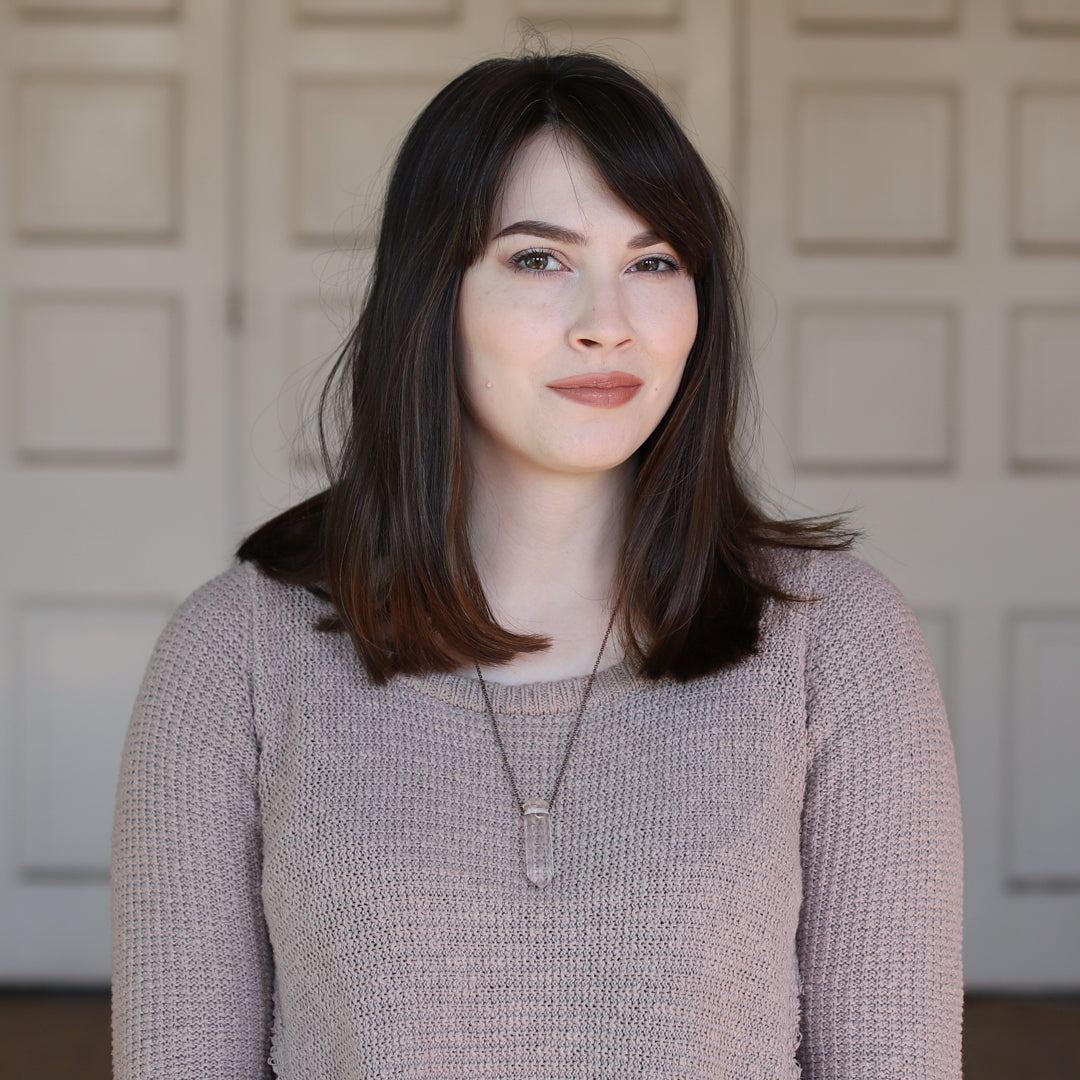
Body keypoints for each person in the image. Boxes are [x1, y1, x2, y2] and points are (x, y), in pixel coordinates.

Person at [111, 51, 962, 1079]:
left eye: (654, 262)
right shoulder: (235, 654)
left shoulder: (835, 641)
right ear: (434, 294)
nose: (608, 321)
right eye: (538, 259)